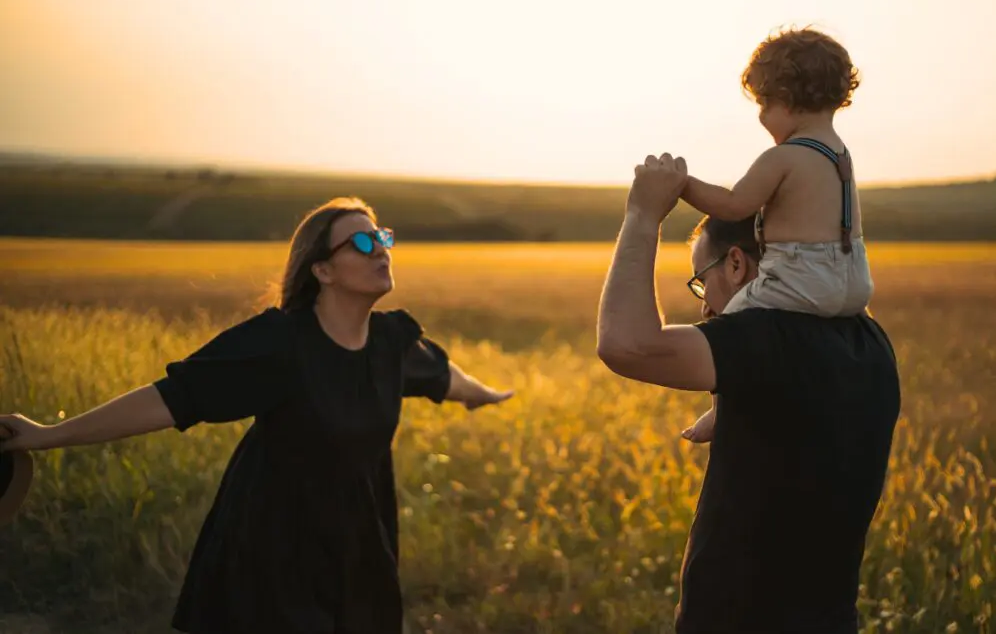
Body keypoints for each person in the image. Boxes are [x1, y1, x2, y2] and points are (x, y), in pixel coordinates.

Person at [0, 197, 514, 634]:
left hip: (358, 549)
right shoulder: (278, 344)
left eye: (381, 236)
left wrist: (482, 393)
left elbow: (441, 376)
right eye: (360, 242)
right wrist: (49, 436)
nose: (379, 248)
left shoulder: (391, 343)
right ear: (323, 270)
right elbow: (170, 399)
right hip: (272, 554)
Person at [597, 154, 901, 633]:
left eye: (703, 280)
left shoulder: (766, 341)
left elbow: (625, 344)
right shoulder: (869, 340)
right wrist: (729, 408)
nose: (705, 305)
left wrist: (642, 216)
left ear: (736, 263)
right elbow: (798, 411)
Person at [677, 26, 875, 442]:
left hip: (801, 274)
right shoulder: (840, 154)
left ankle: (720, 411)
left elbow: (734, 205)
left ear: (786, 98)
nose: (762, 117)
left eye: (764, 104)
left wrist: (682, 185)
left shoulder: (784, 157)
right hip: (854, 281)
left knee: (730, 327)